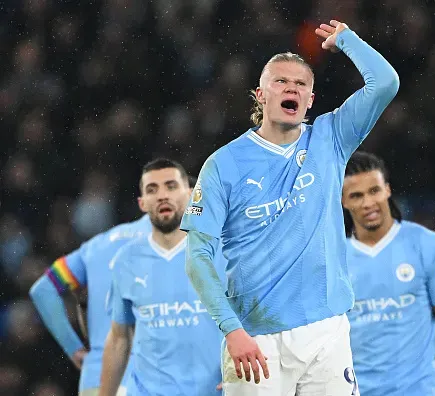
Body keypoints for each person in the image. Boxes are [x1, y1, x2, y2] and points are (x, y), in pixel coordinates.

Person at [181, 20, 400, 395]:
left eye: (301, 84)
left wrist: (347, 41)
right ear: (260, 95)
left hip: (327, 331)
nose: (292, 88)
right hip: (256, 339)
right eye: (281, 81)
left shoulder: (330, 138)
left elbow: (385, 82)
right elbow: (197, 255)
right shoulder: (224, 164)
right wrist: (232, 331)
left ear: (310, 100)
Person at [342, 151, 435, 396]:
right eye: (357, 196)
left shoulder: (428, 245)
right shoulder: (333, 258)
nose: (368, 203)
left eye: (374, 191)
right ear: (344, 201)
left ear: (387, 190)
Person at [99, 159, 225, 396]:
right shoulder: (126, 260)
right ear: (142, 203)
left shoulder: (221, 252)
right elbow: (118, 339)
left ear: (190, 194)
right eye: (152, 190)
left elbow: (254, 320)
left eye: (171, 186)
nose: (162, 196)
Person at [29, 211, 151, 396]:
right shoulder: (177, 244)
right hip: (153, 377)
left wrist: (74, 349)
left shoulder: (97, 245)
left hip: (97, 377)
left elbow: (43, 291)